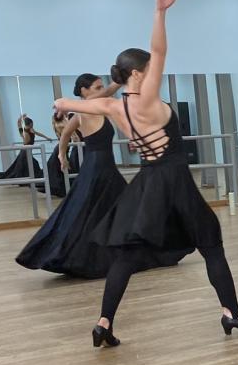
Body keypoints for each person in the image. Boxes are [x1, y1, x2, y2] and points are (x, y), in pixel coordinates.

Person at [53, 0, 238, 346]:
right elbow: (159, 50)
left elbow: (69, 105)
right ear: (137, 74)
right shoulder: (147, 99)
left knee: (126, 257)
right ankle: (233, 314)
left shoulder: (114, 107)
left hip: (147, 185)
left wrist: (62, 104)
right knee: (211, 244)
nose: (155, 72)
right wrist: (159, 12)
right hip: (174, 182)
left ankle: (104, 323)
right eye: (148, 69)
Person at [18, 75, 185, 279]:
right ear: (83, 91)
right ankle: (83, 255)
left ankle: (122, 251)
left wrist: (62, 154)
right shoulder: (83, 110)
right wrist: (122, 77)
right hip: (97, 168)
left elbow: (66, 134)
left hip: (104, 167)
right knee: (91, 211)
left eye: (102, 87)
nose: (102, 90)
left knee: (110, 210)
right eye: (96, 87)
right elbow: (66, 133)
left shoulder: (93, 110)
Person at [0, 115, 49, 184]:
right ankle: (32, 179)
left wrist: (46, 137)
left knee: (29, 165)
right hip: (25, 151)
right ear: (30, 124)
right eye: (32, 124)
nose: (32, 125)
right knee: (26, 165)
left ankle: (32, 179)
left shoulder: (31, 129)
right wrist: (21, 118)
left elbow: (38, 133)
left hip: (27, 151)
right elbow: (25, 140)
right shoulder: (25, 132)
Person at [46, 110, 82, 199]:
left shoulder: (64, 121)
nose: (58, 112)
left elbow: (72, 132)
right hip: (61, 144)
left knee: (61, 166)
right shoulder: (57, 122)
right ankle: (61, 187)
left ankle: (64, 187)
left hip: (65, 143)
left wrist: (77, 140)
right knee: (56, 166)